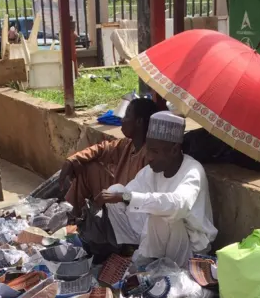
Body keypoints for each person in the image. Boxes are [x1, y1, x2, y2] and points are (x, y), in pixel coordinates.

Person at [99, 111, 217, 269]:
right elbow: (128, 196)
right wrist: (114, 197)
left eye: (155, 151)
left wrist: (127, 197)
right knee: (116, 191)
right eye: (148, 150)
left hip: (189, 247)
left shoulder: (192, 171)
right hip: (158, 238)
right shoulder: (150, 171)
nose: (149, 157)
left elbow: (177, 206)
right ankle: (140, 253)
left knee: (161, 212)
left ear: (174, 150)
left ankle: (146, 260)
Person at [59, 97, 159, 212]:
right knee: (87, 167)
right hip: (117, 195)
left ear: (139, 122)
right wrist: (72, 160)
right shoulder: (128, 143)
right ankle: (69, 213)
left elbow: (144, 198)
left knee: (116, 189)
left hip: (131, 208)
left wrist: (119, 197)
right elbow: (102, 149)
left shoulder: (150, 156)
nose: (122, 120)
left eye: (127, 115)